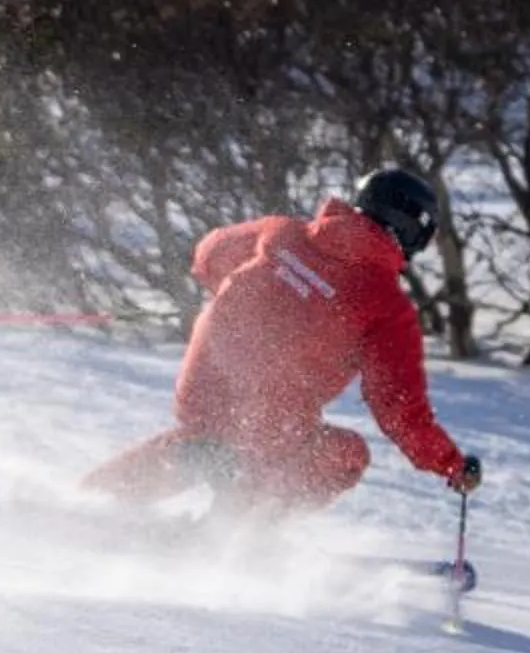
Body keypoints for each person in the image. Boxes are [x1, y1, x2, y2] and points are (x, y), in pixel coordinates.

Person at [85, 169, 480, 517]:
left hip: (202, 385)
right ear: (411, 231)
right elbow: (397, 407)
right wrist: (450, 463)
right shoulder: (387, 306)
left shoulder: (281, 232)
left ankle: (90, 500)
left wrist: (254, 292)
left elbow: (208, 256)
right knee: (344, 455)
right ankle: (237, 536)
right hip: (270, 420)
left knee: (206, 436)